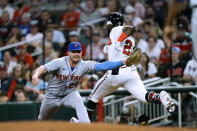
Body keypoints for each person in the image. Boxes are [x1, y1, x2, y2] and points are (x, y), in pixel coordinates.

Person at [86, 12, 175, 120]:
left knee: (93, 97)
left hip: (116, 72)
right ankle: (160, 98)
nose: (107, 25)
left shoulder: (115, 30)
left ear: (110, 22)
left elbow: (131, 28)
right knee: (143, 96)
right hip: (131, 73)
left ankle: (83, 122)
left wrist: (117, 41)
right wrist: (110, 47)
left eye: (108, 23)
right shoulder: (130, 39)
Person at [32, 42, 132, 123]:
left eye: (78, 52)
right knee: (42, 120)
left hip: (70, 94)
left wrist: (123, 62)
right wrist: (36, 75)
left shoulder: (85, 65)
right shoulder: (59, 62)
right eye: (74, 51)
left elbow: (104, 66)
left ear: (81, 53)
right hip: (52, 96)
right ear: (68, 53)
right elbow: (42, 68)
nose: (76, 54)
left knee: (82, 111)